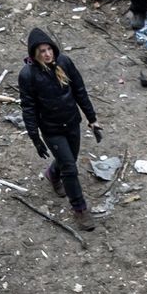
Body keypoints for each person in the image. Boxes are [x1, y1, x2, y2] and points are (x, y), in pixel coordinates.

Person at [17, 28, 98, 223]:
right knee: (70, 168)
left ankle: (53, 173)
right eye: (42, 51)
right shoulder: (28, 75)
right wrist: (35, 138)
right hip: (51, 129)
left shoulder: (65, 63)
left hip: (71, 122)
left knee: (69, 158)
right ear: (35, 54)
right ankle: (80, 210)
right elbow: (28, 108)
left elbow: (80, 90)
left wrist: (92, 119)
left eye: (49, 49)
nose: (47, 54)